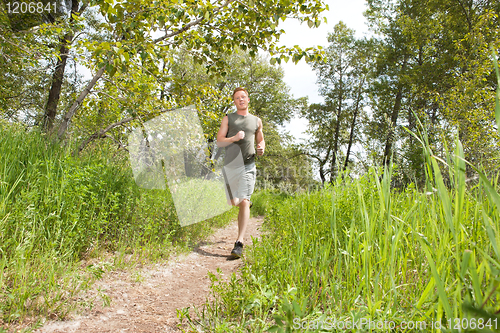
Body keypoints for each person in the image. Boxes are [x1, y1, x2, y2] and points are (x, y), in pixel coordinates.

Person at [216, 87, 265, 258]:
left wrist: (261, 148)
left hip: (248, 165)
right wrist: (234, 138)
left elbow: (261, 139)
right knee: (232, 201)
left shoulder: (257, 121)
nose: (241, 100)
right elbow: (220, 142)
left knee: (244, 201)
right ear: (234, 101)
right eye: (237, 98)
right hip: (230, 166)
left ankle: (239, 242)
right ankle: (244, 202)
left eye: (243, 97)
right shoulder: (228, 118)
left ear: (248, 99)